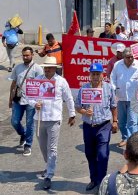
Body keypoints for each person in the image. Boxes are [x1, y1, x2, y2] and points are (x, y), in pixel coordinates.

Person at [27, 56, 76, 190]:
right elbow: (29, 96)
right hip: (39, 118)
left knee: (52, 148)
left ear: (55, 68)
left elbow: (69, 98)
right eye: (46, 68)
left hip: (54, 119)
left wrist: (72, 114)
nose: (47, 70)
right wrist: (34, 104)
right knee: (43, 147)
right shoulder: (37, 81)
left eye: (50, 68)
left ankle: (49, 174)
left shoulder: (61, 81)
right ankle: (48, 164)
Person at [75, 63, 118, 191]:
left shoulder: (108, 88)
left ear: (102, 75)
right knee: (90, 154)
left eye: (97, 74)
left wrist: (115, 121)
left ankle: (102, 182)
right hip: (88, 126)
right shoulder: (84, 89)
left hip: (103, 126)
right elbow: (78, 106)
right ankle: (93, 179)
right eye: (93, 74)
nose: (95, 76)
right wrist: (84, 112)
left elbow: (113, 106)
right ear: (89, 75)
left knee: (103, 154)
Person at [9, 47, 43, 156]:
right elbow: (13, 84)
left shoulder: (37, 69)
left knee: (30, 123)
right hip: (18, 99)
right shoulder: (17, 68)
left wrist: (40, 102)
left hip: (31, 101)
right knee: (14, 121)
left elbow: (42, 86)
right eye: (23, 55)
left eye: (27, 55)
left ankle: (28, 145)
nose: (25, 57)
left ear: (32, 55)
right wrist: (10, 99)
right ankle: (22, 135)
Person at [111, 47, 138, 147]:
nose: (130, 59)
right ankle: (125, 137)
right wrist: (114, 90)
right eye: (128, 57)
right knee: (122, 121)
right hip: (120, 97)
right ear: (123, 57)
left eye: (132, 57)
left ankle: (133, 143)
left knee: (132, 122)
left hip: (134, 98)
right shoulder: (118, 65)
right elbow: (113, 78)